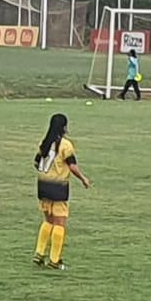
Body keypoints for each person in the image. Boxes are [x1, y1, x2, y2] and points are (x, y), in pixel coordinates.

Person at [33, 113, 91, 270]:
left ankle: (39, 254)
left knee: (48, 220)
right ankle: (54, 259)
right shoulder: (65, 145)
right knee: (59, 222)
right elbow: (72, 166)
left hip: (43, 185)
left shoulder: (44, 142)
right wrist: (83, 178)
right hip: (58, 187)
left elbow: (36, 162)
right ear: (64, 127)